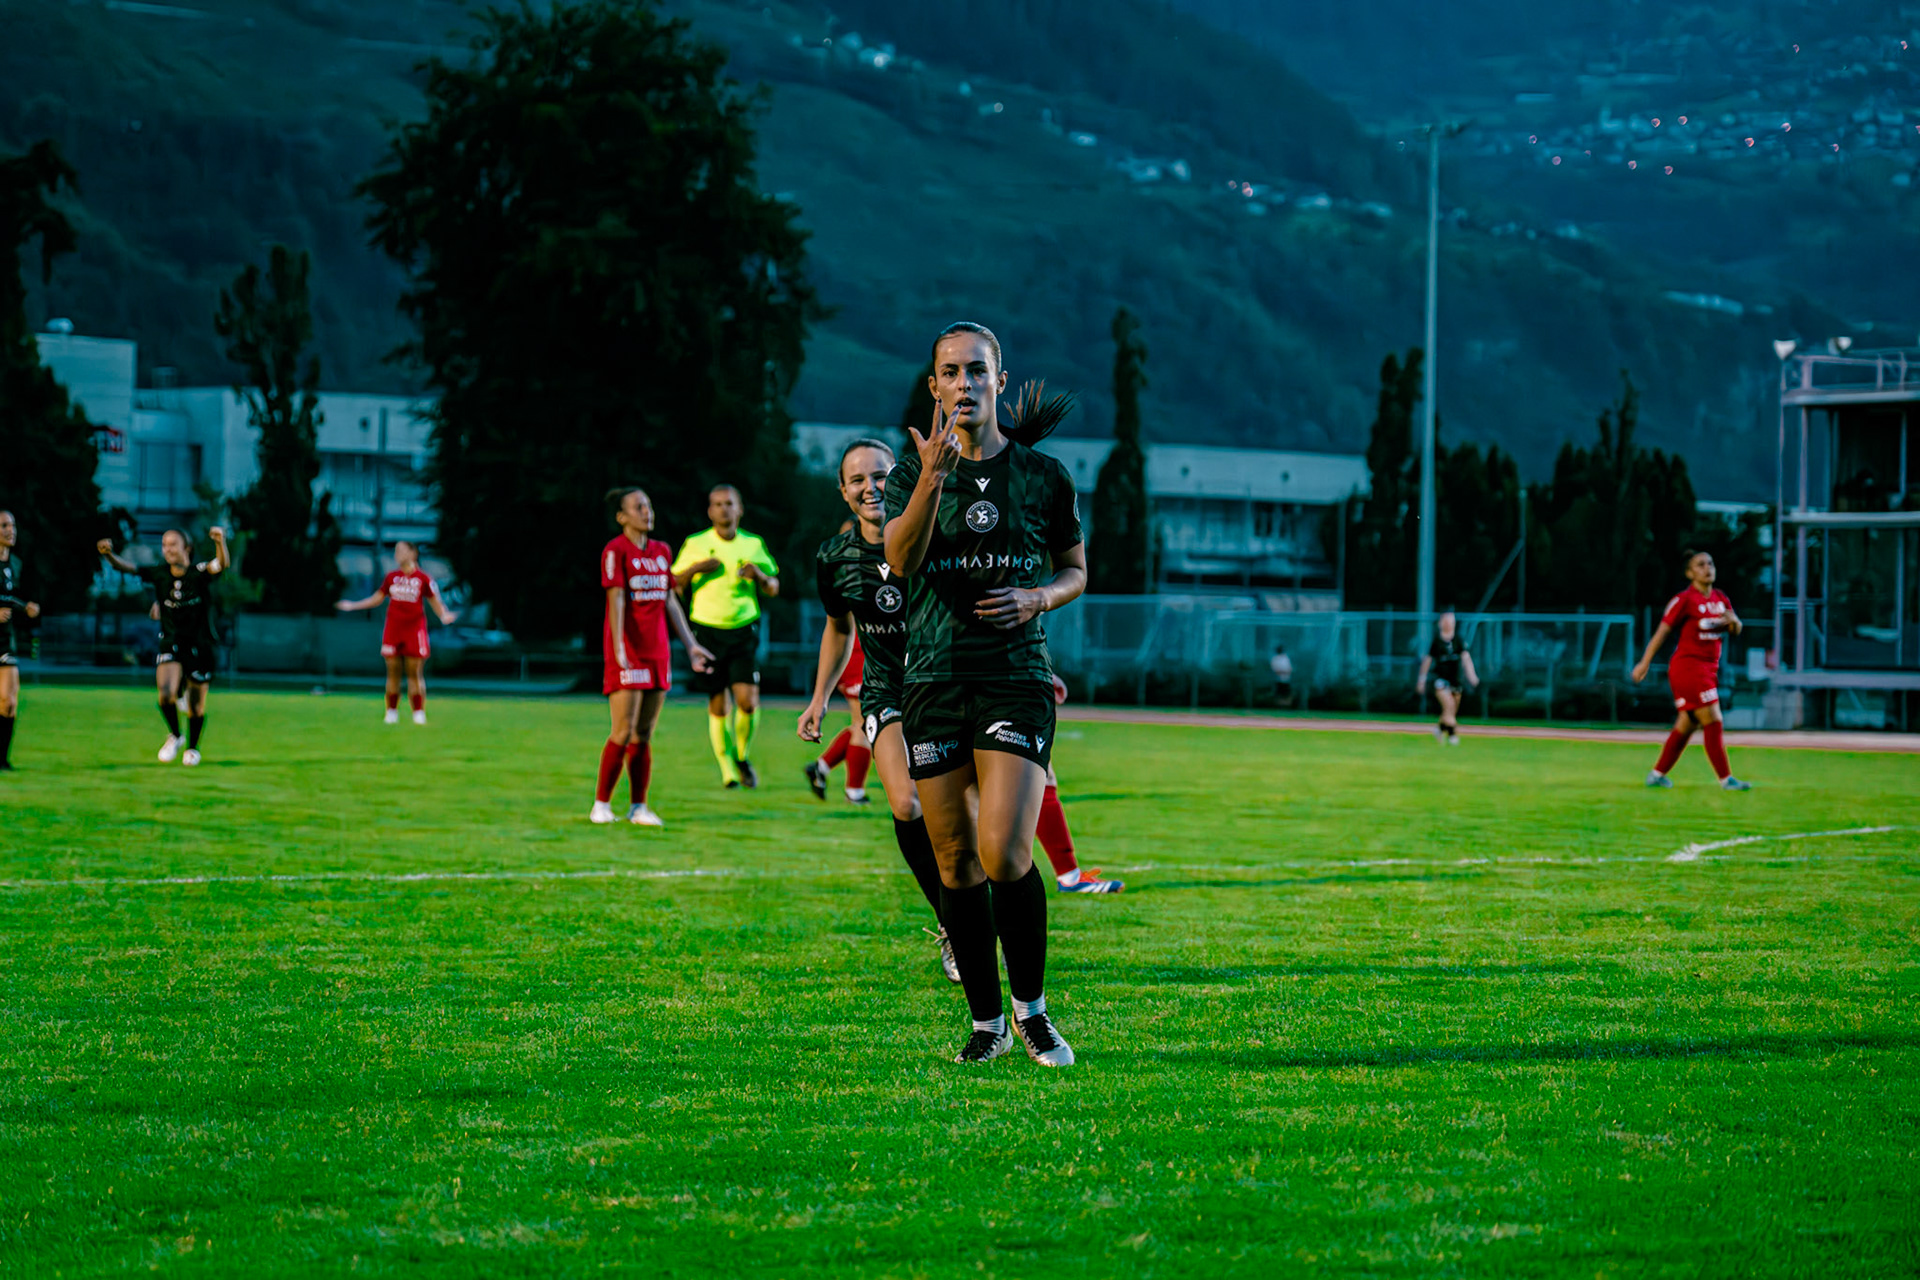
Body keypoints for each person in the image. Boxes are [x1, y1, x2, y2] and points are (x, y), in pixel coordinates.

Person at [884, 321, 1088, 1067]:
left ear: (999, 380)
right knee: (953, 864)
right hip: (934, 679)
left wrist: (1038, 599)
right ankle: (986, 1023)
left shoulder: (1044, 475)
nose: (964, 384)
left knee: (1004, 852)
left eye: (977, 370)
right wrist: (932, 477)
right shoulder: (914, 473)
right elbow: (900, 562)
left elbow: (1076, 570)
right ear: (933, 386)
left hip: (1015, 677)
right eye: (950, 372)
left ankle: (1032, 1012)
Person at [798, 439, 959, 982]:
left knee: (968, 823)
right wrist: (818, 699)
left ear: (902, 479)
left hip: (947, 689)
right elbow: (839, 629)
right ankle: (953, 926)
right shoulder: (835, 559)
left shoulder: (937, 538)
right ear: (843, 493)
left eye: (882, 475)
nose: (871, 486)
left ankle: (980, 918)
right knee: (907, 802)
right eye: (858, 479)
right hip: (887, 690)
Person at [592, 486, 713, 826]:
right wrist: (618, 651)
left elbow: (669, 600)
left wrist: (691, 645)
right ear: (622, 516)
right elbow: (616, 601)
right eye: (639, 506)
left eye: (648, 504)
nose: (648, 511)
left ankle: (638, 807)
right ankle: (601, 804)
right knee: (622, 730)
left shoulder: (661, 551)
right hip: (628, 652)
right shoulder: (615, 551)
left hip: (657, 652)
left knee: (643, 734)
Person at [672, 485, 779, 789]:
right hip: (707, 630)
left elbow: (774, 587)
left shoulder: (753, 544)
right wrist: (697, 568)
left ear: (740, 509)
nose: (723, 509)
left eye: (729, 503)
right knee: (718, 704)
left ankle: (742, 755)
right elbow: (674, 584)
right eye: (717, 504)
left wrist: (758, 575)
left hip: (744, 628)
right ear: (710, 511)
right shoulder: (695, 543)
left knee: (747, 701)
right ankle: (728, 771)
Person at [98, 527, 229, 766]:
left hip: (200, 645)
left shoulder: (198, 573)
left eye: (173, 544)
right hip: (171, 642)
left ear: (186, 548)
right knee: (165, 694)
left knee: (196, 707)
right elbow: (126, 567)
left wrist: (220, 542)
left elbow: (221, 563)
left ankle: (192, 748)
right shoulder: (159, 574)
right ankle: (176, 736)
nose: (167, 549)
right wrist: (108, 555)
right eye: (164, 545)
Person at [1632, 549, 1752, 790]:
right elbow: (1663, 631)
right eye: (1700, 565)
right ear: (1689, 573)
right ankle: (1726, 779)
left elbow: (1735, 630)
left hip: (1709, 669)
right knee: (1713, 718)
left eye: (1710, 563)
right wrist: (1644, 662)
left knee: (1687, 725)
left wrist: (1735, 622)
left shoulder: (1720, 598)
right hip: (1688, 667)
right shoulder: (1685, 600)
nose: (1707, 568)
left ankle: (1656, 775)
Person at [334, 540, 458, 724]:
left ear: (412, 553)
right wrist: (353, 606)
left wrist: (444, 615)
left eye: (401, 551)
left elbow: (434, 600)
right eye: (396, 551)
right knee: (392, 671)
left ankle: (418, 712)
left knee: (414, 672)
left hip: (415, 629)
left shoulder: (423, 579)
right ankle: (391, 711)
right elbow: (377, 598)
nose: (397, 555)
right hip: (393, 629)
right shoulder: (392, 577)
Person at [1036, 673, 1123, 894]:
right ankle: (1069, 875)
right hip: (999, 693)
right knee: (1037, 781)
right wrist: (1041, 671)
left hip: (947, 688)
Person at [803, 629, 873, 805]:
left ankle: (821, 767)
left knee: (863, 723)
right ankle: (854, 791)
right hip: (859, 651)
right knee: (865, 724)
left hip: (857, 650)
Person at [0, 511, 43, 771]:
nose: (10, 530)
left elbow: (7, 596)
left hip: (6, 640)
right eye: (4, 525)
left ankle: (2, 759)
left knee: (9, 701)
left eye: (12, 525)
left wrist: (24, 606)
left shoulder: (14, 563)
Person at [1415, 610, 1478, 743]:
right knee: (1448, 706)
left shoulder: (1458, 640)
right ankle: (1452, 735)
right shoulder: (1437, 641)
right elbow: (1427, 661)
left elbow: (1466, 658)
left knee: (1452, 709)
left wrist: (1472, 675)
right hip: (1441, 680)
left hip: (1456, 680)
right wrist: (1421, 680)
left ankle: (1439, 729)